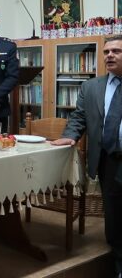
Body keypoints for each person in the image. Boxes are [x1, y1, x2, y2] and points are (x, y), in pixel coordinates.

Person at [52, 35, 122, 277]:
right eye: (106, 52)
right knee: (114, 216)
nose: (109, 55)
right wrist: (69, 136)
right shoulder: (91, 87)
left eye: (116, 51)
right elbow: (79, 117)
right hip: (108, 160)